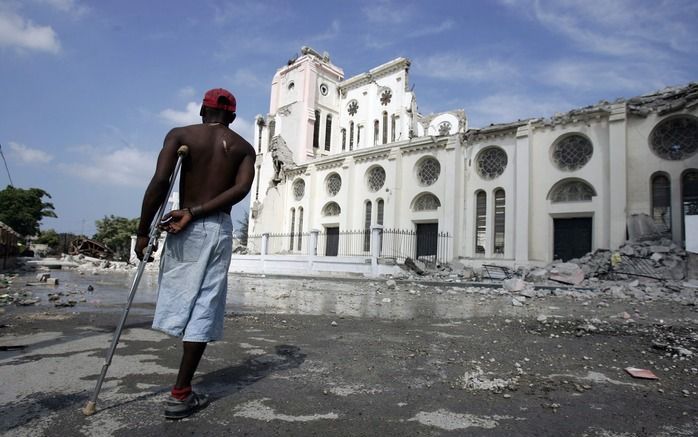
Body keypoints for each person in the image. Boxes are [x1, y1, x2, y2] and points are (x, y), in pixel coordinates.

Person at [135, 88, 255, 420]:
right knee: (205, 304)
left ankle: (182, 390)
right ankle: (180, 393)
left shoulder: (180, 135)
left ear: (203, 110)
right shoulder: (244, 148)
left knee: (181, 297)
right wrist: (198, 211)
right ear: (232, 116)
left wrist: (143, 230)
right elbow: (241, 190)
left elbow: (161, 180)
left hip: (183, 225)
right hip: (216, 227)